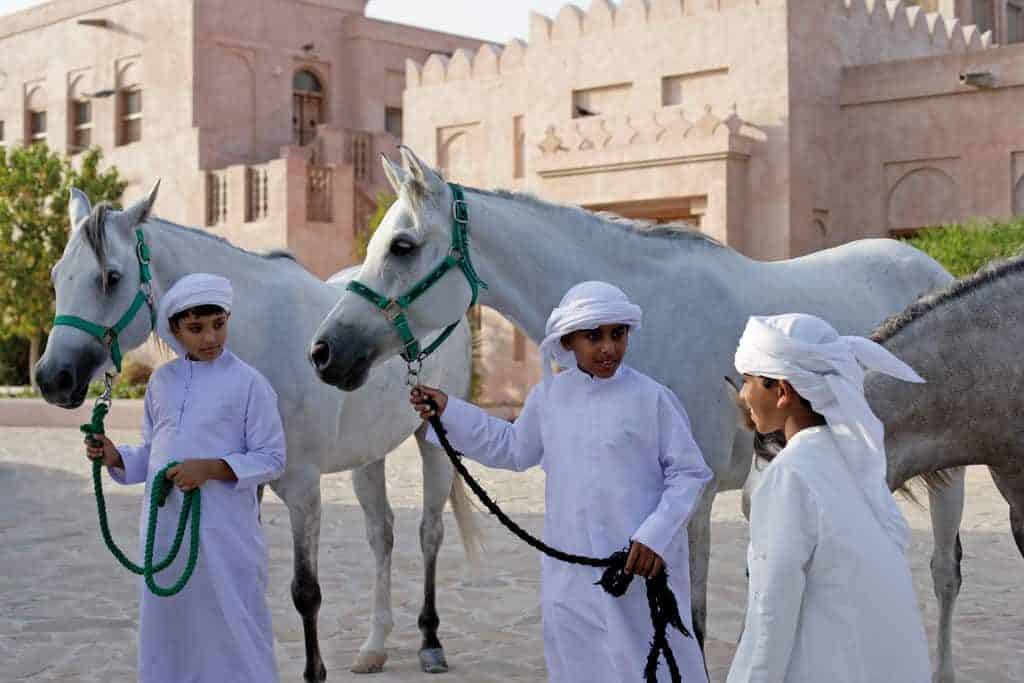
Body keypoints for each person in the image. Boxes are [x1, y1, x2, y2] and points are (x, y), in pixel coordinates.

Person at [410, 281, 712, 682]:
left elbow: (689, 473)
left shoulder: (652, 398)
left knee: (643, 663)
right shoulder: (549, 398)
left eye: (617, 334)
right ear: (568, 341)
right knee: (578, 663)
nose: (608, 348)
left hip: (635, 570)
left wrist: (654, 536)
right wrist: (449, 411)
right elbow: (512, 447)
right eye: (594, 336)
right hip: (570, 573)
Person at [85, 273, 286, 683]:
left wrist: (211, 468)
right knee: (169, 628)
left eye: (218, 325)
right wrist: (115, 456)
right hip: (163, 532)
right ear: (175, 330)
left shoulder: (250, 383)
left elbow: (272, 457)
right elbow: (151, 452)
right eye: (196, 329)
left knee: (234, 623)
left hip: (223, 532)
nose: (210, 337)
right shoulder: (162, 382)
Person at [727, 313, 931, 683]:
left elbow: (771, 609)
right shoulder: (852, 463)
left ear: (783, 391)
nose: (742, 396)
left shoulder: (791, 475)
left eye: (748, 381)